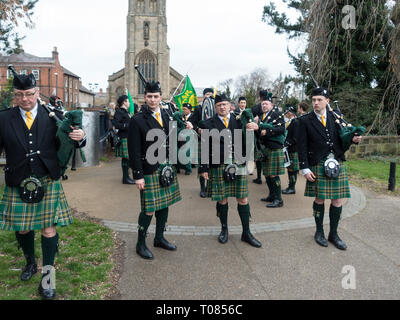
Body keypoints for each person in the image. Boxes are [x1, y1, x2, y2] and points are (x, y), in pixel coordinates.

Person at [0, 68, 86, 300]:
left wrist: (81, 137)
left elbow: (75, 138)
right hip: (17, 180)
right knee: (24, 227)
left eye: (28, 93)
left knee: (49, 229)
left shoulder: (54, 114)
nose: (24, 99)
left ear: (37, 92)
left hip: (47, 179)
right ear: (14, 95)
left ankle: (48, 278)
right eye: (19, 94)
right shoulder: (3, 117)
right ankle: (30, 262)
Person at [128, 81, 193, 260]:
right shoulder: (137, 120)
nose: (152, 100)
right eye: (149, 96)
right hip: (149, 169)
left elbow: (173, 141)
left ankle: (159, 237)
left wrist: (186, 132)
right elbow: (134, 150)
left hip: (166, 168)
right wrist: (138, 175)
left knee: (164, 205)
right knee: (148, 209)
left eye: (156, 96)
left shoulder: (167, 115)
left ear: (161, 97)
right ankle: (140, 243)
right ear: (145, 97)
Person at [297, 87, 362, 250]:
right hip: (317, 163)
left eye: (319, 100)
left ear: (327, 101)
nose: (316, 103)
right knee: (319, 199)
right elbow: (301, 146)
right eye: (313, 100)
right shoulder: (305, 120)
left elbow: (344, 138)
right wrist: (304, 168)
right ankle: (319, 231)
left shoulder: (336, 117)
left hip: (336, 161)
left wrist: (354, 139)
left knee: (338, 200)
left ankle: (334, 234)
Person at [199, 93, 262, 248]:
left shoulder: (239, 120)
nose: (222, 107)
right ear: (215, 107)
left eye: (225, 104)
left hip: (237, 163)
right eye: (219, 105)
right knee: (222, 198)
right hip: (218, 165)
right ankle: (224, 229)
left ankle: (246, 232)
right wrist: (204, 168)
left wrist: (256, 127)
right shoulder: (208, 123)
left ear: (230, 106)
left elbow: (253, 136)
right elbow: (204, 147)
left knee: (243, 198)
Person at [259, 95, 286, 208]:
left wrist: (268, 132)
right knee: (268, 174)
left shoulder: (277, 114)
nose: (264, 105)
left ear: (271, 105)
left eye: (266, 104)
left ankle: (279, 199)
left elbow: (281, 129)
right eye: (262, 104)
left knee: (274, 174)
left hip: (275, 147)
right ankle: (271, 195)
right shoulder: (262, 116)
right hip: (266, 148)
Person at [191, 88, 215, 198]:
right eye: (207, 94)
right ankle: (202, 188)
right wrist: (197, 129)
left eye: (210, 94)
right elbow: (191, 122)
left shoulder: (217, 107)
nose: (209, 96)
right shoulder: (198, 108)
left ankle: (210, 187)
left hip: (215, 140)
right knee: (202, 164)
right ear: (204, 96)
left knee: (213, 165)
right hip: (202, 139)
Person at [114, 95, 136, 185]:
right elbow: (116, 124)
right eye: (128, 101)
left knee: (127, 158)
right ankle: (125, 178)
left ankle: (126, 177)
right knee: (126, 158)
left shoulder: (125, 112)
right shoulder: (119, 112)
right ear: (124, 102)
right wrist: (128, 126)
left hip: (127, 137)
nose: (129, 103)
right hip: (124, 137)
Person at [252, 90, 269, 185]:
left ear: (260, 97)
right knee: (267, 157)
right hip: (269, 136)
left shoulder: (256, 108)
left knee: (258, 158)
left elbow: (251, 120)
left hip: (258, 136)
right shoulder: (272, 107)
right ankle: (268, 178)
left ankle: (259, 177)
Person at [282, 104, 300, 195]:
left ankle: (292, 187)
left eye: (287, 112)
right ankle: (290, 186)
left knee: (292, 169)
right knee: (290, 169)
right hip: (290, 149)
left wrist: (286, 144)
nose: (286, 114)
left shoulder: (296, 122)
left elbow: (296, 138)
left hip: (293, 149)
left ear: (290, 113)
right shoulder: (290, 121)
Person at [176, 103, 194, 175]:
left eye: (185, 109)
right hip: (181, 136)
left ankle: (188, 168)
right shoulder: (180, 117)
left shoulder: (193, 116)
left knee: (187, 153)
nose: (183, 110)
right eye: (183, 109)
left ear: (189, 110)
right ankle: (179, 167)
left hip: (190, 136)